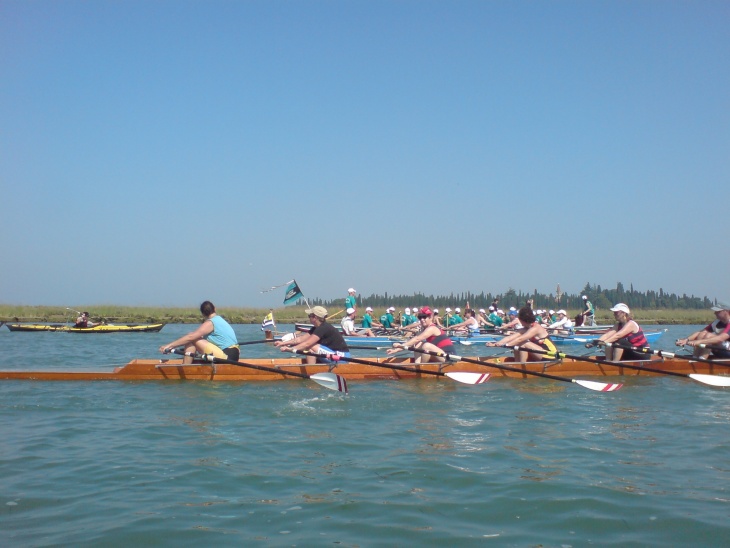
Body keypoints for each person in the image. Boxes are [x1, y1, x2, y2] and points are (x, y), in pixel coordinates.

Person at [159, 301, 239, 364]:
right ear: (215, 308)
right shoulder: (220, 320)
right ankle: (187, 364)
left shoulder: (210, 323)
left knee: (191, 337)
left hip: (227, 357)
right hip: (234, 354)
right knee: (193, 339)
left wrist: (169, 346)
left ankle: (186, 368)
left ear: (203, 314)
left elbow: (191, 337)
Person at [276, 306, 350, 364]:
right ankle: (311, 369)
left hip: (342, 357)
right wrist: (282, 343)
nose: (309, 317)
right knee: (310, 348)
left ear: (315, 317)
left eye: (309, 316)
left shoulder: (323, 328)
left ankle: (312, 370)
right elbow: (300, 339)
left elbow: (307, 343)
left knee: (311, 345)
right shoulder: (316, 328)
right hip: (331, 354)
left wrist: (291, 349)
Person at [486, 306, 557, 362]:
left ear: (523, 320)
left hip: (551, 355)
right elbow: (510, 338)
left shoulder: (536, 328)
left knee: (523, 343)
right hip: (540, 354)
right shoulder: (526, 328)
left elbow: (521, 339)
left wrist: (507, 345)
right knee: (517, 343)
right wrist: (495, 344)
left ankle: (521, 366)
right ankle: (517, 363)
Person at [387, 306, 456, 363]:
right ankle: (417, 365)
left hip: (449, 357)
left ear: (430, 317)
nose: (422, 319)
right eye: (420, 317)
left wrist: (400, 346)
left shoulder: (432, 328)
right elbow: (413, 341)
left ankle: (422, 368)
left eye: (424, 317)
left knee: (426, 346)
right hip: (439, 355)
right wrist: (396, 350)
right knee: (418, 344)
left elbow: (417, 338)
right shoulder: (424, 329)